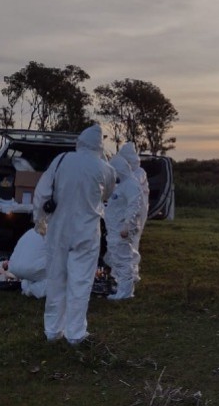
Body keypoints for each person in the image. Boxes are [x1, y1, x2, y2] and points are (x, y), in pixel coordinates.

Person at [33, 124, 116, 345]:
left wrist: (39, 219)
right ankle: (76, 334)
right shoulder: (106, 168)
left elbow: (41, 193)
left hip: (58, 229)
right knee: (81, 282)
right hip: (87, 232)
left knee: (55, 280)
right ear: (99, 146)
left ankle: (52, 331)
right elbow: (108, 192)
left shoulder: (61, 160)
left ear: (79, 142)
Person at [104, 154, 143, 300]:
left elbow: (134, 205)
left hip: (122, 229)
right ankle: (122, 285)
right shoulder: (123, 184)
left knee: (123, 258)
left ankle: (125, 292)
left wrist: (127, 225)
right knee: (119, 257)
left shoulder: (131, 184)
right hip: (116, 228)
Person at [117, 142, 150, 245]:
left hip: (138, 207)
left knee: (134, 234)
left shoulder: (140, 172)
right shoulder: (125, 173)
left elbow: (132, 184)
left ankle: (131, 256)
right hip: (127, 206)